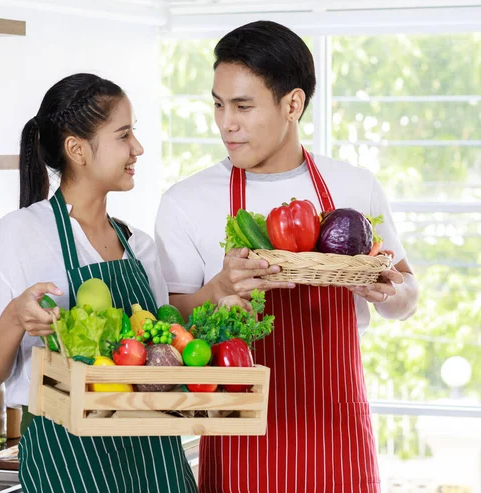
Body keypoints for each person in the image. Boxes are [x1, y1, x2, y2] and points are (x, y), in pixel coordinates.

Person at [155, 21, 419, 492]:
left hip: (337, 434)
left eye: (243, 106)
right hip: (240, 438)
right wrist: (220, 288)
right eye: (218, 104)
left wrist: (386, 293)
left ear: (292, 104)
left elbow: (407, 295)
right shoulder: (186, 200)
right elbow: (172, 324)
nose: (225, 123)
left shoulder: (354, 187)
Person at [0, 73, 198, 493]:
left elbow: (166, 350)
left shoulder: (138, 245)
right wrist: (15, 316)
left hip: (156, 456)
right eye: (124, 135)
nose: (137, 148)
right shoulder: (17, 236)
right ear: (77, 150)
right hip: (67, 459)